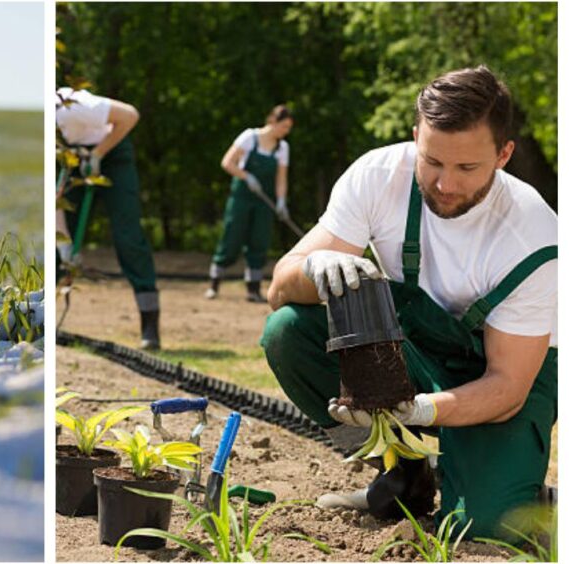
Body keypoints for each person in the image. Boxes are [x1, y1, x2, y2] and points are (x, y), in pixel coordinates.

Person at [259, 66, 556, 539]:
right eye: (432, 161)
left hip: (506, 371)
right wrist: (314, 269)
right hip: (417, 348)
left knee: (482, 527)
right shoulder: (378, 176)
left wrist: (420, 411)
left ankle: (519, 491)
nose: (445, 184)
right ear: (416, 135)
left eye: (466, 168)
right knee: (288, 333)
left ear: (504, 155)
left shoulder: (533, 236)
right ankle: (400, 471)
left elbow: (507, 388)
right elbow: (278, 290)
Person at [55, 87, 161, 350]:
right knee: (56, 240)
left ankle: (149, 323)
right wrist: (65, 246)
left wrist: (99, 153)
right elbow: (54, 201)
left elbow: (130, 115)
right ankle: (44, 318)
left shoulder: (72, 106)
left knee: (127, 235)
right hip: (72, 157)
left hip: (112, 150)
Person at [206, 106, 294, 303]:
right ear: (273, 121)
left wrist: (281, 201)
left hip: (264, 201)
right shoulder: (249, 137)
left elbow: (281, 179)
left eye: (288, 128)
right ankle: (214, 284)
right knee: (232, 237)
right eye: (284, 126)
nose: (286, 131)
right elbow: (227, 162)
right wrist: (247, 176)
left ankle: (253, 290)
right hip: (241, 198)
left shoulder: (282, 148)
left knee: (259, 241)